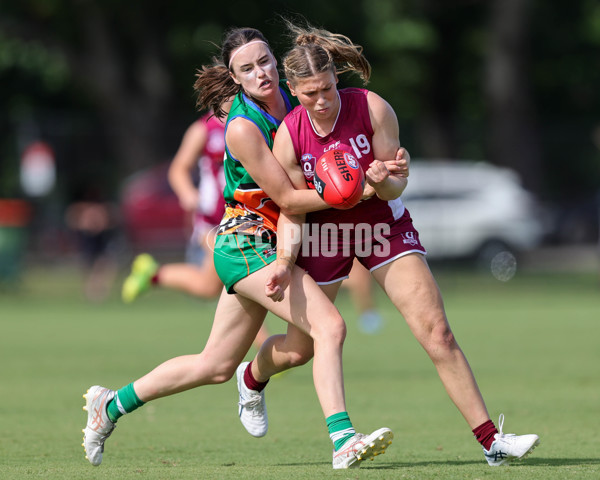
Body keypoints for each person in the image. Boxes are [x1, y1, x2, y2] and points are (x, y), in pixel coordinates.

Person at [82, 27, 407, 470]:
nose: (261, 73)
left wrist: (385, 170)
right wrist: (360, 191)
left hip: (280, 239)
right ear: (235, 77)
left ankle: (112, 404)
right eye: (247, 68)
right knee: (330, 327)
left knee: (219, 364)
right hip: (246, 240)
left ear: (278, 62)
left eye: (265, 61)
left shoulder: (296, 101)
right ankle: (343, 438)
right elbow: (292, 199)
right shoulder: (242, 127)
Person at [235, 21, 540, 467]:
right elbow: (294, 208)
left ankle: (492, 441)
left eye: (326, 89)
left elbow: (396, 185)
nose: (320, 101)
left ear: (336, 77)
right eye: (308, 93)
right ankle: (251, 377)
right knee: (301, 349)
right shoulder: (289, 136)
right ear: (293, 89)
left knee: (437, 333)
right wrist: (284, 260)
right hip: (324, 234)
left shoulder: (372, 108)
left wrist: (382, 180)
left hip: (384, 227)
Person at [120, 112, 271, 349]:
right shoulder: (202, 129)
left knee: (208, 287)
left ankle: (153, 274)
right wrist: (187, 194)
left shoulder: (256, 118)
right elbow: (178, 169)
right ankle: (266, 347)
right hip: (211, 221)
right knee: (238, 276)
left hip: (245, 218)